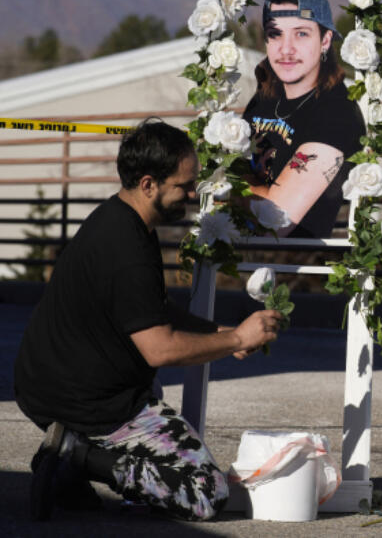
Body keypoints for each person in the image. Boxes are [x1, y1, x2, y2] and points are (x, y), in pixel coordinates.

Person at [14, 121, 283, 521]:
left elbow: (147, 311)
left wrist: (222, 333)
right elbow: (160, 347)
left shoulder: (119, 220)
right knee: (205, 493)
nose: (192, 195)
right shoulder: (126, 247)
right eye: (184, 186)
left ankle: (70, 468)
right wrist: (236, 340)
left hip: (48, 387)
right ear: (148, 184)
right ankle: (76, 455)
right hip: (92, 403)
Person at [242, 0, 364, 238]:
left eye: (301, 34)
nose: (286, 49)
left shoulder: (337, 111)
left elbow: (277, 221)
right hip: (237, 254)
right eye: (275, 34)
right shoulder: (263, 100)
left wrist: (230, 186)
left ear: (325, 40)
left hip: (296, 265)